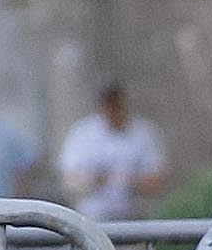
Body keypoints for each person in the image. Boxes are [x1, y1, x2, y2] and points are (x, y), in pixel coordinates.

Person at [57, 81, 168, 232]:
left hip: (135, 222)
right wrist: (96, 181)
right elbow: (70, 178)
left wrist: (129, 182)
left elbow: (156, 179)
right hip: (94, 223)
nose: (111, 111)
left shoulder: (143, 134)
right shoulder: (82, 134)